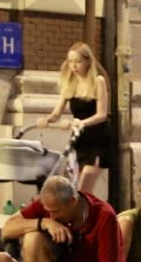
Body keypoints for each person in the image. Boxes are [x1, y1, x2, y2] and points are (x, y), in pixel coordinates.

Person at [0, 174, 121, 262]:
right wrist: (43, 222)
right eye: (49, 211)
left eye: (56, 211)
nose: (52, 216)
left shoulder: (104, 215)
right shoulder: (48, 204)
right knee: (32, 238)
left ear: (73, 201)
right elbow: (6, 229)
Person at [40, 41, 111, 194]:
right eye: (70, 61)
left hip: (96, 139)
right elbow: (56, 114)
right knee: (75, 188)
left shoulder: (98, 81)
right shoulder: (69, 83)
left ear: (88, 62)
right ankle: (85, 215)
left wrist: (79, 123)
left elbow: (102, 114)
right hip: (79, 139)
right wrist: (47, 120)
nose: (74, 66)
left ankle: (92, 215)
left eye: (78, 61)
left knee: (84, 187)